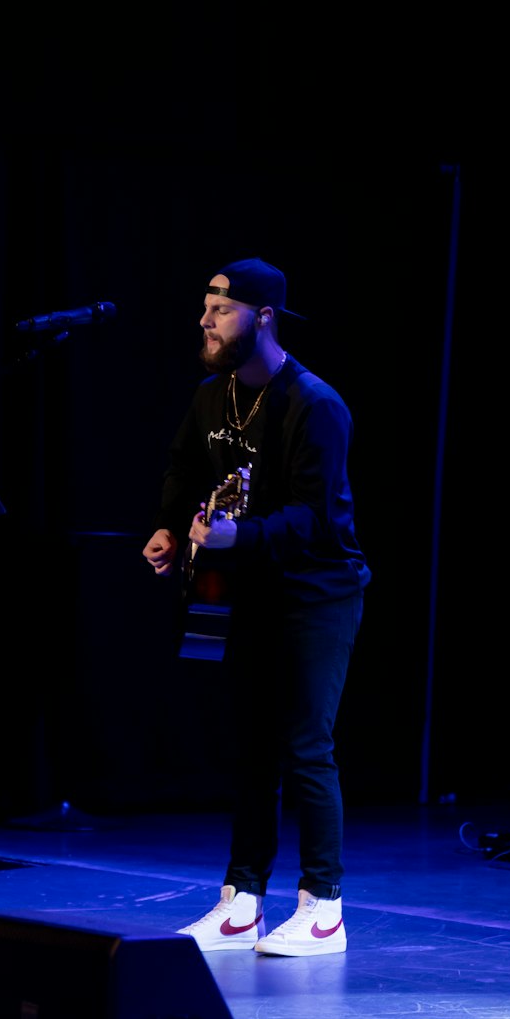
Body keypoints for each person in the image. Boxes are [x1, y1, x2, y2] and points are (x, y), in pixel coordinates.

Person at [142, 257, 370, 956]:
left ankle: (324, 906)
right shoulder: (215, 395)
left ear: (263, 316)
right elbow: (185, 468)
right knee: (250, 749)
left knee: (306, 745)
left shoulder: (315, 405)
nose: (205, 320)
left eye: (221, 309)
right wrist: (167, 525)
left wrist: (245, 534)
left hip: (317, 590)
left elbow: (319, 519)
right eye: (206, 307)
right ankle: (242, 902)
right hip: (245, 589)